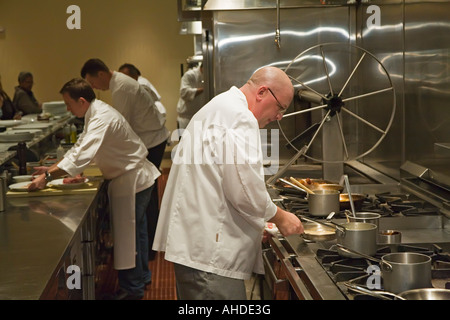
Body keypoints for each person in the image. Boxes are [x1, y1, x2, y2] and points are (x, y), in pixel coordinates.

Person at [152, 66, 304, 300]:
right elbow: (245, 191)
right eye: (280, 107)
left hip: (199, 246)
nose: (279, 117)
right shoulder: (239, 117)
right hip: (210, 259)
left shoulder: (220, 106)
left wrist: (253, 225)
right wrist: (281, 217)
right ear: (262, 92)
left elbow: (217, 182)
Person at [28, 78, 161, 300]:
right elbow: (80, 146)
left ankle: (133, 290)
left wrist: (48, 177)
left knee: (129, 238)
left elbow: (82, 154)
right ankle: (141, 279)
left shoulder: (101, 117)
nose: (68, 109)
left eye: (69, 104)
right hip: (133, 177)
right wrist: (49, 168)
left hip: (132, 180)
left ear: (81, 101)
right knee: (137, 235)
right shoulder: (96, 112)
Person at [81, 58, 169, 266]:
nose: (95, 88)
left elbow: (120, 123)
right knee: (147, 195)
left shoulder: (121, 87)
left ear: (101, 74)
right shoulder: (119, 83)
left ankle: (148, 248)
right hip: (152, 137)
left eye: (93, 83)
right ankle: (147, 246)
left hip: (152, 141)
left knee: (145, 195)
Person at [118, 62, 167, 260]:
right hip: (152, 141)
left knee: (148, 194)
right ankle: (152, 242)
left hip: (151, 144)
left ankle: (151, 245)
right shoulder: (137, 87)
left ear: (135, 76)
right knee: (150, 192)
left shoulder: (139, 87)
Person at [176, 62, 205, 133]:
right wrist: (203, 90)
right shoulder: (190, 75)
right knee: (185, 141)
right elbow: (184, 92)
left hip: (199, 117)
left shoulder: (207, 77)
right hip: (186, 118)